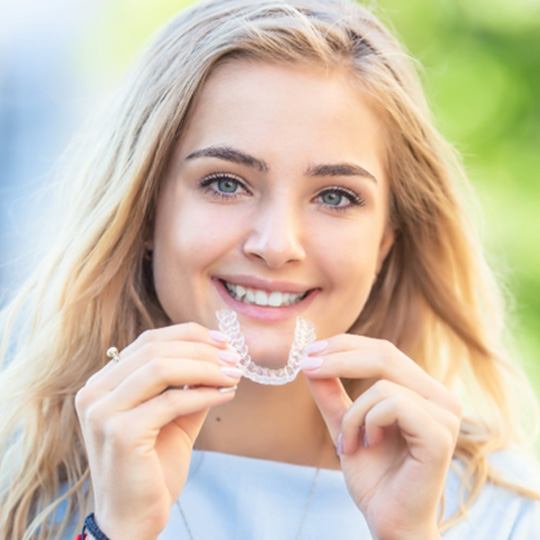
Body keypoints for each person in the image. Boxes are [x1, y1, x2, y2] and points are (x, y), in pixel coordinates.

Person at [0, 0, 539, 538]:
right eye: (225, 183)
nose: (277, 245)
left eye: (334, 195)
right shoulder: (22, 493)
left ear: (385, 243)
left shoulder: (508, 514)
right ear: (144, 214)